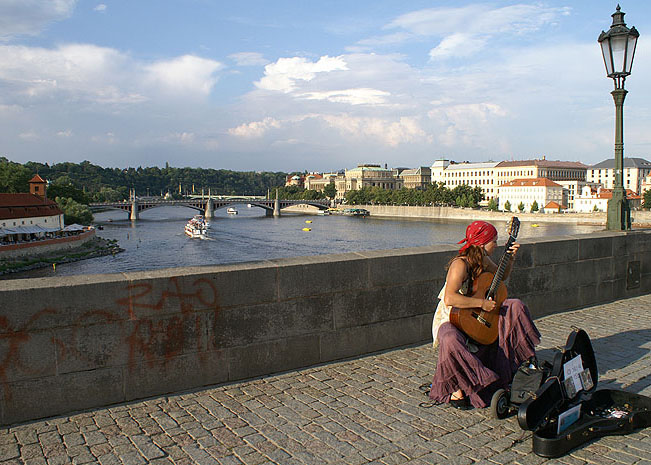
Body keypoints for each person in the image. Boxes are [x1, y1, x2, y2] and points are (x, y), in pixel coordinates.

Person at [429, 220, 540, 410]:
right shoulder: (460, 264)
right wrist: (481, 303)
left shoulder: (483, 260)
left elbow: (501, 277)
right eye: (493, 241)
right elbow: (450, 298)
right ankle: (458, 387)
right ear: (482, 242)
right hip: (453, 318)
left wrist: (510, 257)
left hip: (476, 314)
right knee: (449, 336)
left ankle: (517, 361)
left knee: (515, 306)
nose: (496, 245)